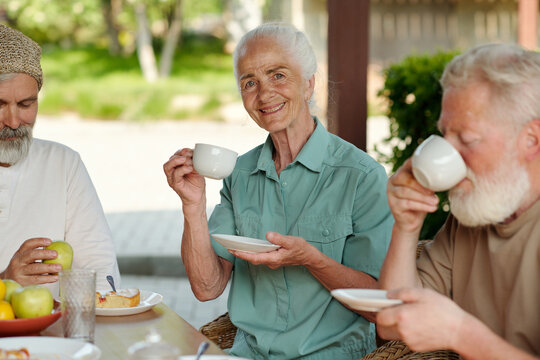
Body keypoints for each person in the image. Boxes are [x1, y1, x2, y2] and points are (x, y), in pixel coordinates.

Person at [164, 23, 393, 359]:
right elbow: (206, 287)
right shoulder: (239, 173)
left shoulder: (361, 177)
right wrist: (192, 205)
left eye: (278, 75)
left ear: (309, 82)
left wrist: (312, 260)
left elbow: (381, 309)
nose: (264, 94)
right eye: (249, 83)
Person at [377, 43, 540, 359]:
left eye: (467, 140)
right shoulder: (473, 213)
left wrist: (460, 333)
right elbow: (392, 325)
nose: (450, 155)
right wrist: (407, 226)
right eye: (444, 135)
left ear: (531, 140)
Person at [0, 24, 120, 294]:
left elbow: (99, 265)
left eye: (26, 104)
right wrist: (5, 281)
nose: (13, 121)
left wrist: (90, 324)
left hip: (54, 334)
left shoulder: (63, 163)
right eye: (0, 104)